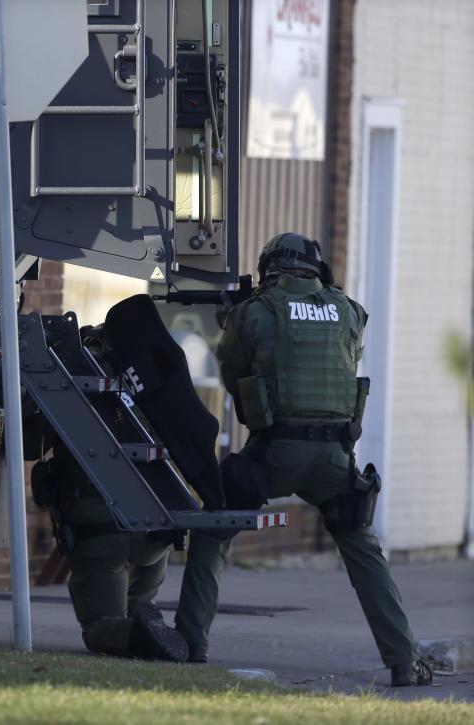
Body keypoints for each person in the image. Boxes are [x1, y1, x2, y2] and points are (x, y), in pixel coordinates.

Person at [173, 232, 432, 687]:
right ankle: (405, 661)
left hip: (274, 453)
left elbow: (234, 379)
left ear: (272, 267)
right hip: (336, 457)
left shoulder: (255, 312)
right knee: (363, 549)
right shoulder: (349, 310)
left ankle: (191, 644)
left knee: (213, 526)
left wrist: (230, 321)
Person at [31, 325, 189, 663]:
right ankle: (146, 624)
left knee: (99, 628)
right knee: (139, 608)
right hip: (155, 534)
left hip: (100, 536)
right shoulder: (154, 385)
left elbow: (31, 443)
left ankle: (137, 633)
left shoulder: (66, 387)